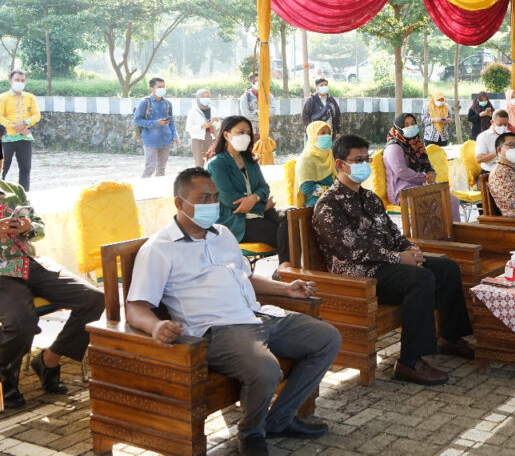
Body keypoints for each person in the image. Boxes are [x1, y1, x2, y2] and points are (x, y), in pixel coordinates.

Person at [126, 167, 339, 456]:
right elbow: (136, 307)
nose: (213, 204)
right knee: (266, 370)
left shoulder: (223, 234)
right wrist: (155, 326)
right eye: (203, 198)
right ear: (179, 202)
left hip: (257, 315)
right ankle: (251, 434)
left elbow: (245, 277)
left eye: (215, 197)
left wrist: (285, 289)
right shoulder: (160, 249)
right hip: (218, 331)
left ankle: (278, 420)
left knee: (327, 338)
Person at [313, 135, 474, 386]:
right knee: (420, 279)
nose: (364, 165)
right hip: (358, 275)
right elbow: (353, 249)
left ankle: (449, 338)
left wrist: (411, 250)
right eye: (357, 160)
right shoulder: (329, 205)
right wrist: (398, 258)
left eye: (366, 159)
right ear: (340, 165)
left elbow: (393, 233)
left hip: (386, 265)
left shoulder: (370, 198)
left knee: (446, 267)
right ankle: (409, 361)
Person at [0, 179, 104, 411]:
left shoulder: (13, 189)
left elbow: (39, 226)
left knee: (93, 299)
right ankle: (4, 381)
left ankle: (48, 360)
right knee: (21, 322)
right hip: (1, 273)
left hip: (30, 263)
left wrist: (28, 227)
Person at [206, 116, 290, 268]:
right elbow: (230, 200)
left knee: (292, 217)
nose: (245, 136)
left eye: (248, 133)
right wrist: (262, 206)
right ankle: (285, 268)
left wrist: (255, 198)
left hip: (259, 213)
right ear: (226, 135)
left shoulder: (249, 160)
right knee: (286, 233)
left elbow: (264, 188)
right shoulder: (217, 164)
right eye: (241, 132)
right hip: (235, 221)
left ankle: (285, 267)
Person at [383, 114, 460, 219]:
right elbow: (401, 171)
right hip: (402, 191)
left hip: (420, 186)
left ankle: (452, 228)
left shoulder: (416, 144)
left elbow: (427, 164)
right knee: (437, 203)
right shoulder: (393, 147)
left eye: (413, 123)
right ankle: (438, 229)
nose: (411, 127)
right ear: (398, 128)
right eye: (406, 125)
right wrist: (423, 178)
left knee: (452, 200)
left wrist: (431, 174)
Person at [0, 70, 40, 190]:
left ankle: (24, 195)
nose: (20, 82)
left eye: (22, 80)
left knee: (25, 169)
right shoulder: (2, 97)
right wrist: (14, 126)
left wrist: (25, 124)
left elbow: (36, 115)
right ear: (10, 81)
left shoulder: (30, 97)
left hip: (25, 137)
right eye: (17, 80)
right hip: (6, 138)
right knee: (2, 168)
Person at [133, 76, 179, 178]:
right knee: (150, 168)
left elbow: (171, 121)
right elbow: (136, 120)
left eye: (163, 87)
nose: (162, 89)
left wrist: (174, 135)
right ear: (152, 88)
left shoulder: (168, 103)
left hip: (166, 140)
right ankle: (142, 186)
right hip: (150, 140)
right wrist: (156, 122)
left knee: (161, 169)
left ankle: (158, 187)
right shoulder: (145, 102)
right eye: (159, 87)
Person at [294, 122, 336, 208]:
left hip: (335, 202)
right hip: (317, 206)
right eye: (323, 133)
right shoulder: (306, 159)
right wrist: (332, 191)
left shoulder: (330, 155)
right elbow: (307, 189)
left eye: (329, 133)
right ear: (312, 135)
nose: (327, 136)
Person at [185, 88, 219, 167]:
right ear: (198, 98)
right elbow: (188, 128)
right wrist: (202, 126)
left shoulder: (213, 110)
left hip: (211, 138)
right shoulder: (193, 111)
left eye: (208, 96)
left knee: (213, 163)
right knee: (199, 164)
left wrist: (216, 120)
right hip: (198, 140)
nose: (206, 98)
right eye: (203, 97)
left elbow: (218, 127)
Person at [239, 73, 275, 138]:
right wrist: (263, 117)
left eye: (260, 81)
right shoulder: (245, 97)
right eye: (256, 81)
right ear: (250, 83)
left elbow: (272, 112)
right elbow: (246, 115)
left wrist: (257, 112)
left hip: (265, 131)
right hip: (250, 131)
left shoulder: (268, 96)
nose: (258, 83)